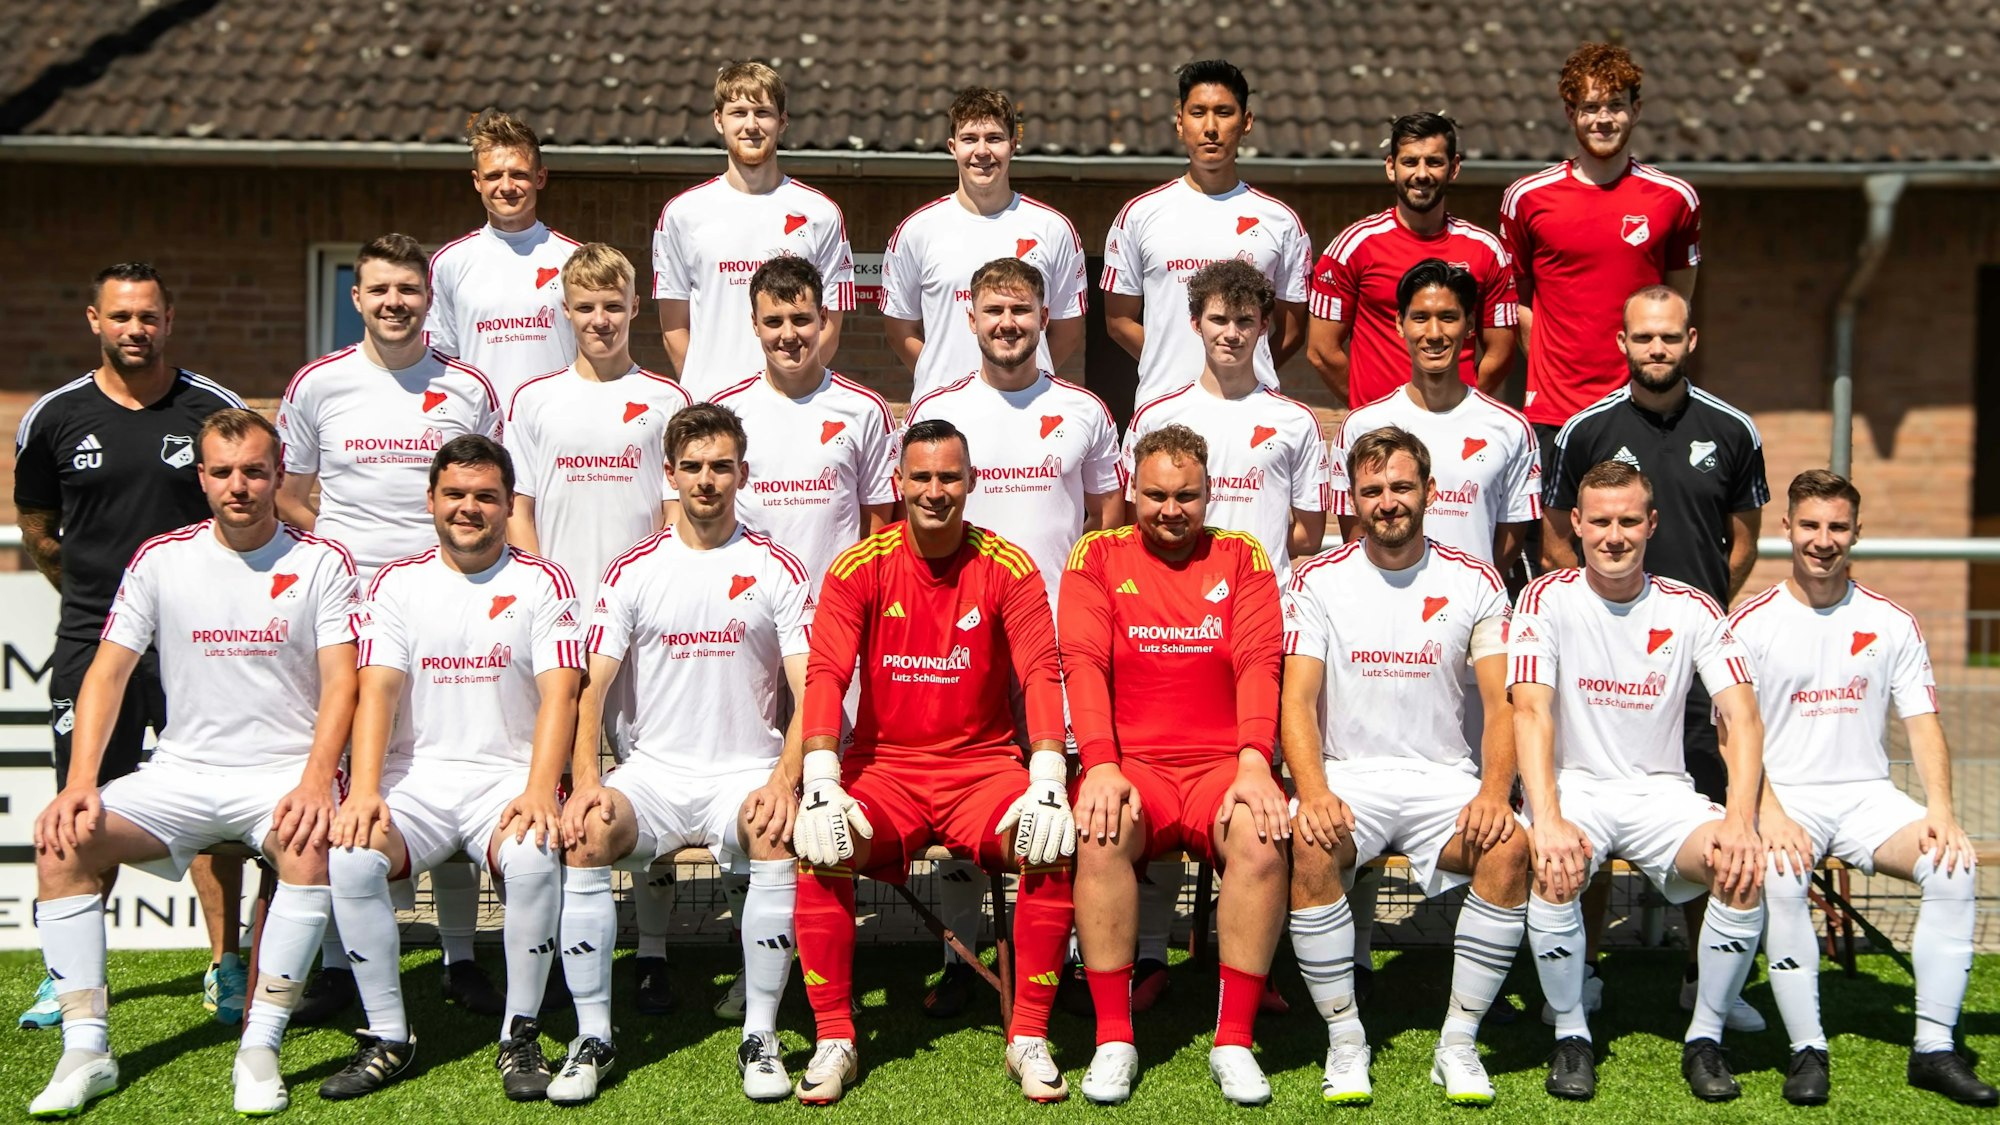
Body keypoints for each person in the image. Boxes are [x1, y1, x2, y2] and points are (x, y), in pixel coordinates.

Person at [26, 408, 359, 1117]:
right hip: (179, 773)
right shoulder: (160, 558)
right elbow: (107, 674)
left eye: (254, 471)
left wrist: (313, 780)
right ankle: (86, 1049)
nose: (239, 486)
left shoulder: (321, 561)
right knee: (61, 841)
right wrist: (80, 782)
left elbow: (342, 683)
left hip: (278, 774)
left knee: (310, 847)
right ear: (201, 477)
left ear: (277, 476)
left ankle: (260, 1044)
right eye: (223, 472)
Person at [788, 419, 1078, 1104]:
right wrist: (822, 777)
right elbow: (825, 671)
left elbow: (1042, 670)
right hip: (886, 769)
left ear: (972, 483)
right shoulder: (860, 565)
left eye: (949, 477)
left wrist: (1047, 776)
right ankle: (836, 1037)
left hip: (983, 769)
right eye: (921, 477)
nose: (935, 491)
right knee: (822, 843)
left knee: (1048, 841)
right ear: (898, 482)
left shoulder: (1008, 565)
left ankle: (1028, 1034)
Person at [550, 404, 812, 1104]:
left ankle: (761, 1032)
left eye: (721, 466)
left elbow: (810, 687)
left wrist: (786, 779)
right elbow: (591, 686)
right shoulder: (633, 569)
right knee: (590, 835)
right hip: (655, 774)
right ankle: (593, 1036)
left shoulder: (775, 566)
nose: (707, 480)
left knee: (773, 827)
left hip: (743, 772)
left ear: (742, 473)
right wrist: (585, 781)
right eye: (692, 466)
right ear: (669, 473)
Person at [12, 262, 249, 1031]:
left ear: (169, 320)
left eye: (147, 316)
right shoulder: (53, 416)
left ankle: (225, 963)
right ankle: (70, 976)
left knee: (214, 804)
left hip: (199, 646)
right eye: (120, 317)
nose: (134, 330)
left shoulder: (211, 409)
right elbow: (42, 534)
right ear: (94, 321)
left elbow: (245, 518)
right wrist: (111, 614)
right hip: (92, 642)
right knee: (85, 804)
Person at [276, 233, 507, 1020]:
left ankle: (460, 955)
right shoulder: (318, 385)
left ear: (427, 296)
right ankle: (339, 965)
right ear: (357, 297)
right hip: (347, 612)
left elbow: (490, 488)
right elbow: (292, 488)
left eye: (408, 289)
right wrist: (343, 554)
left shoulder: (468, 386)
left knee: (438, 769)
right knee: (349, 779)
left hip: (446, 605)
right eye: (379, 290)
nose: (394, 303)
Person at [319, 436, 583, 1102]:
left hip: (506, 779)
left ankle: (518, 1031)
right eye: (456, 494)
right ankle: (387, 1035)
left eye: (486, 496)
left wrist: (538, 790)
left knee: (530, 857)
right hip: (419, 782)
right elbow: (375, 689)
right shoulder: (397, 583)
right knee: (351, 855)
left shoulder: (541, 580)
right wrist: (367, 791)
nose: (470, 508)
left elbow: (562, 692)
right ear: (431, 499)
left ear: (505, 505)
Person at [1730, 470, 1995, 1107]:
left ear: (1856, 533)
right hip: (1786, 795)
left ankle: (1934, 1048)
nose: (1824, 540)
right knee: (1784, 876)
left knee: (1954, 868)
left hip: (1867, 796)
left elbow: (1924, 724)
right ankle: (1807, 1049)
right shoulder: (1751, 623)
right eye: (1811, 526)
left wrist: (1943, 812)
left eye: (1838, 528)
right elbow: (1736, 736)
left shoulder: (1892, 621)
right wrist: (1769, 812)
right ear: (1787, 529)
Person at [1541, 285, 1767, 1027]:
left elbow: (1742, 543)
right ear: (1623, 343)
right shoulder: (1584, 429)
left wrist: (1688, 610)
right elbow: (1553, 540)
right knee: (1589, 811)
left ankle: (1706, 985)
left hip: (1686, 658)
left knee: (1703, 811)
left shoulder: (1734, 429)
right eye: (1644, 338)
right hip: (1601, 657)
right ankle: (1588, 973)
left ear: (1690, 339)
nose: (1657, 349)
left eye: (1670, 337)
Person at [1281, 425, 1527, 1107]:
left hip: (1442, 782)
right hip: (1350, 777)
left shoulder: (1474, 579)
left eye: (1400, 486)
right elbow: (1296, 698)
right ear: (1351, 499)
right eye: (1372, 489)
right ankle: (1346, 1042)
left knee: (1509, 847)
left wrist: (1494, 793)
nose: (1387, 501)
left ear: (1429, 492)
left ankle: (1458, 1043)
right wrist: (1315, 790)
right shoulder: (1316, 580)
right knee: (1310, 842)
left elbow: (1501, 703)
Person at [899, 257, 1120, 1011]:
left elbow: (1105, 526)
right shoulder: (940, 407)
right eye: (993, 310)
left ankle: (1080, 957)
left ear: (1046, 316)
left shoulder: (1086, 410)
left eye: (1022, 311)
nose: (1007, 324)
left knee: (1071, 802)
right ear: (969, 317)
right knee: (971, 798)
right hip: (966, 647)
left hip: (1061, 647)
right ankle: (967, 958)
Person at [1511, 459, 1767, 1103]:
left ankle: (1705, 1037)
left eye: (1628, 521)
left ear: (1652, 524)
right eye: (1599, 521)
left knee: (1739, 868)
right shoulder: (1546, 599)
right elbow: (1532, 711)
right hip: (1578, 790)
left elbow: (1741, 714)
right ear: (1577, 524)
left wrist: (1740, 819)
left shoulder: (1693, 608)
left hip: (1662, 794)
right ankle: (1571, 1034)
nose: (1614, 535)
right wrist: (1547, 817)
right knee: (1554, 867)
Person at [1063, 424, 1287, 1107]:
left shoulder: (1242, 556)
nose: (1171, 509)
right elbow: (1083, 662)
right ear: (1132, 489)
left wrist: (1255, 762)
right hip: (1135, 766)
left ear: (1209, 492)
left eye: (1186, 495)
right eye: (1156, 494)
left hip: (1222, 764)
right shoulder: (1097, 554)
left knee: (1261, 834)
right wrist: (1099, 763)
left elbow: (1258, 662)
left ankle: (1234, 1040)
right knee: (1101, 831)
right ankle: (1113, 1037)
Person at [504, 241, 692, 1014]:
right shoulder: (535, 401)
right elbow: (520, 510)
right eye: (586, 307)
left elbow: (676, 515)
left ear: (635, 308)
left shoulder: (664, 401)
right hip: (560, 634)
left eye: (614, 306)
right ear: (567, 312)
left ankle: (650, 949)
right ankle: (547, 953)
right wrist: (543, 602)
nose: (601, 319)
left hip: (643, 632)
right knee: (550, 792)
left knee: (640, 781)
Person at [1500, 43, 1700, 459]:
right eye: (1590, 107)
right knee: (1553, 525)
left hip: (1641, 405)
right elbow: (1512, 298)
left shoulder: (1675, 198)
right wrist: (1550, 367)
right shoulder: (1526, 198)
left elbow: (1677, 300)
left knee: (1634, 524)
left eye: (1615, 105)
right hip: (1553, 413)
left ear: (1636, 110)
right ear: (1571, 114)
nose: (1603, 119)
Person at [1102, 59, 1310, 410]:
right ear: (1180, 123)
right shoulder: (1139, 215)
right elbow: (1118, 320)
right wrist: (1168, 366)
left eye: (1224, 112)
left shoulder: (1281, 222)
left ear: (1246, 123)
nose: (1210, 127)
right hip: (1165, 409)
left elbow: (1293, 330)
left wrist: (1245, 372)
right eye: (1198, 113)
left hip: (1252, 410)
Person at [655, 61, 856, 400]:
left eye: (763, 112)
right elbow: (673, 328)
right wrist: (705, 397)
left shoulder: (821, 213)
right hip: (711, 409)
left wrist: (789, 393)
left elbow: (830, 328)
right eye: (738, 112)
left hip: (791, 404)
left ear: (782, 121)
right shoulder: (682, 214)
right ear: (719, 120)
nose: (751, 125)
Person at [1122, 260, 1329, 580]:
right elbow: (1132, 525)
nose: (1231, 334)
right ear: (1195, 323)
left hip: (1263, 605)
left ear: (1263, 326)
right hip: (1178, 604)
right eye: (1218, 320)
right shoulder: (1155, 417)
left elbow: (1310, 536)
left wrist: (1250, 553)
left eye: (1244, 321)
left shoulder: (1297, 421)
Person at [881, 86, 1088, 402]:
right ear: (953, 147)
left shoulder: (1054, 229)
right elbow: (900, 331)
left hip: (1030, 407)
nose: (982, 151)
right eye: (969, 139)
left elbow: (1068, 330)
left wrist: (1015, 378)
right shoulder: (916, 230)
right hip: (943, 414)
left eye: (994, 138)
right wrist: (941, 381)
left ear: (1013, 145)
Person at [1330, 261, 1538, 565]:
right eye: (1420, 318)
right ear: (1400, 324)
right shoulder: (1361, 426)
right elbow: (1356, 533)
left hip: (1475, 609)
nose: (1434, 333)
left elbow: (1510, 536)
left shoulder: (1511, 428)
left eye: (1448, 317)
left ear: (1469, 324)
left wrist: (1472, 590)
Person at [710, 255, 897, 590]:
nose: (788, 334)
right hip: (749, 610)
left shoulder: (865, 409)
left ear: (823, 318)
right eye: (773, 321)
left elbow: (879, 526)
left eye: (800, 319)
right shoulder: (725, 411)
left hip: (837, 611)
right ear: (754, 323)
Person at [1307, 113, 1517, 408]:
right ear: (1391, 168)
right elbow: (1321, 350)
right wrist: (1370, 411)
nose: (1421, 173)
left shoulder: (1487, 250)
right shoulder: (1351, 248)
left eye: (1433, 162)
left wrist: (1462, 408)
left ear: (1454, 168)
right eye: (1410, 162)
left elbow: (1500, 354)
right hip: (1382, 432)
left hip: (1455, 426)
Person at [427, 109, 581, 404]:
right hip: (479, 437)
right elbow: (439, 363)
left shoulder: (573, 258)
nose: (507, 186)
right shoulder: (449, 263)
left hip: (555, 430)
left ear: (540, 177)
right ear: (477, 181)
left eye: (519, 174)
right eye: (494, 175)